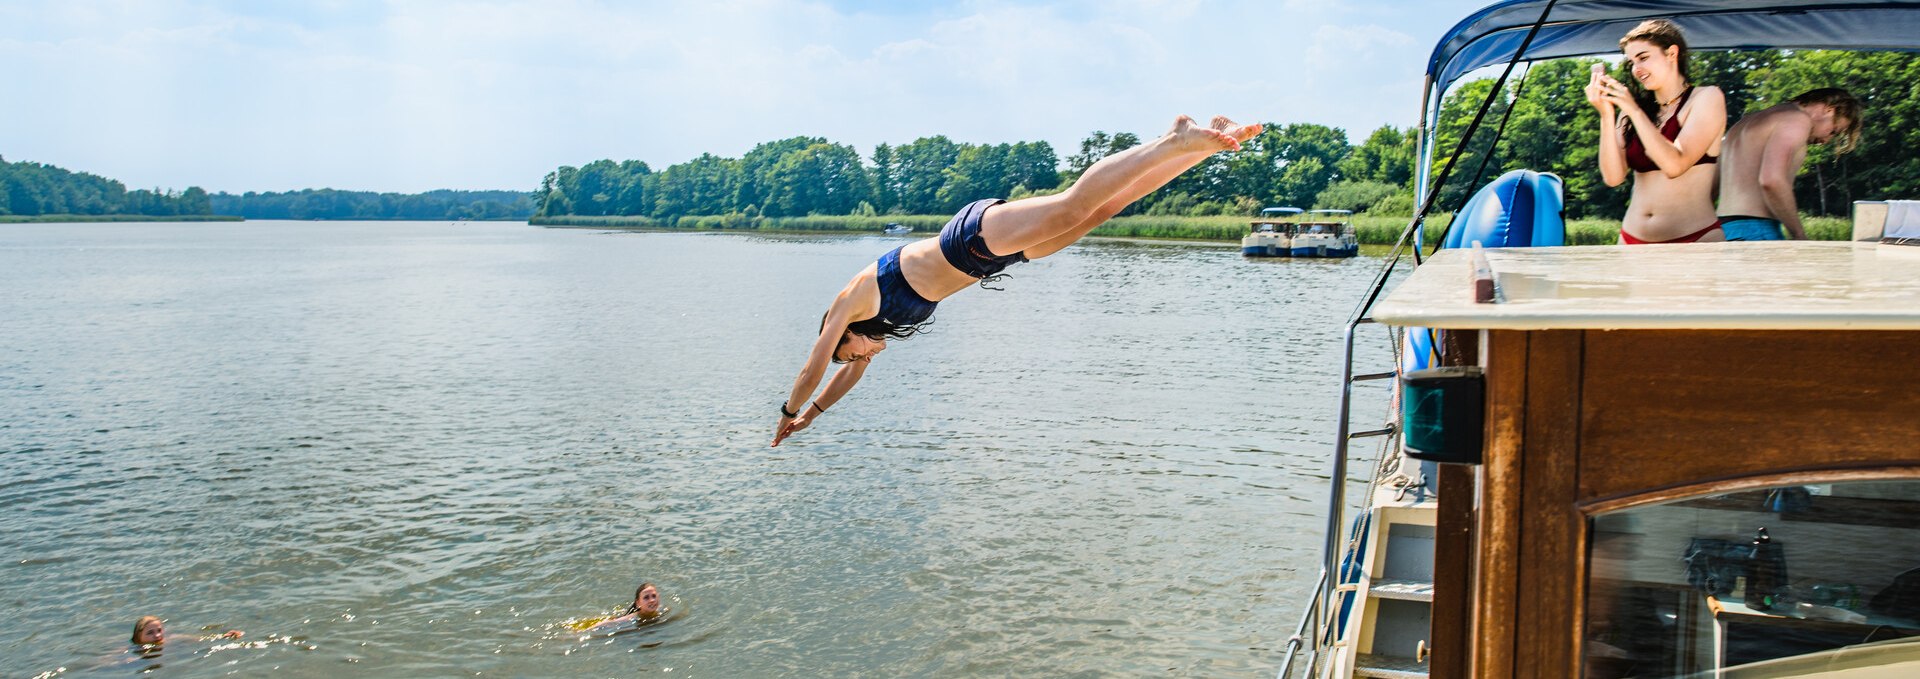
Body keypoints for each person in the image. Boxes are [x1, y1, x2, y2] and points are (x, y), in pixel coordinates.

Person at [771, 115, 1263, 447]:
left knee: (1074, 203)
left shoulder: (851, 300)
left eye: (849, 350)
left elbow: (815, 367)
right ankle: (1195, 149)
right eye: (853, 357)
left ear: (841, 332)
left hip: (967, 239)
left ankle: (1172, 141)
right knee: (1104, 211)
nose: (856, 358)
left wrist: (787, 409)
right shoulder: (875, 327)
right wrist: (811, 417)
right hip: (993, 261)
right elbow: (844, 377)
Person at [1584, 19, 1728, 244]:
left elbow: (1675, 165)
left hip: (1694, 240)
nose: (1636, 69)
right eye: (1632, 62)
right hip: (1631, 238)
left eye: (1643, 58)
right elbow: (1613, 177)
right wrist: (1606, 114)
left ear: (1671, 53)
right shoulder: (1632, 111)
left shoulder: (1707, 98)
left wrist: (1633, 110)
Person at [1716, 88, 1862, 240]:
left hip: (1726, 229)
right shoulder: (1796, 119)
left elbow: (1712, 187)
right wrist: (1799, 235)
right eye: (1834, 131)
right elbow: (1771, 180)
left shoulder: (1742, 125)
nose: (1826, 141)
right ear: (1829, 110)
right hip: (1757, 230)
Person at [129, 615, 243, 646]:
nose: (157, 635)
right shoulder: (134, 649)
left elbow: (199, 639)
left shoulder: (171, 639)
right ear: (138, 637)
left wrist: (223, 636)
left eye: (159, 630)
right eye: (150, 632)